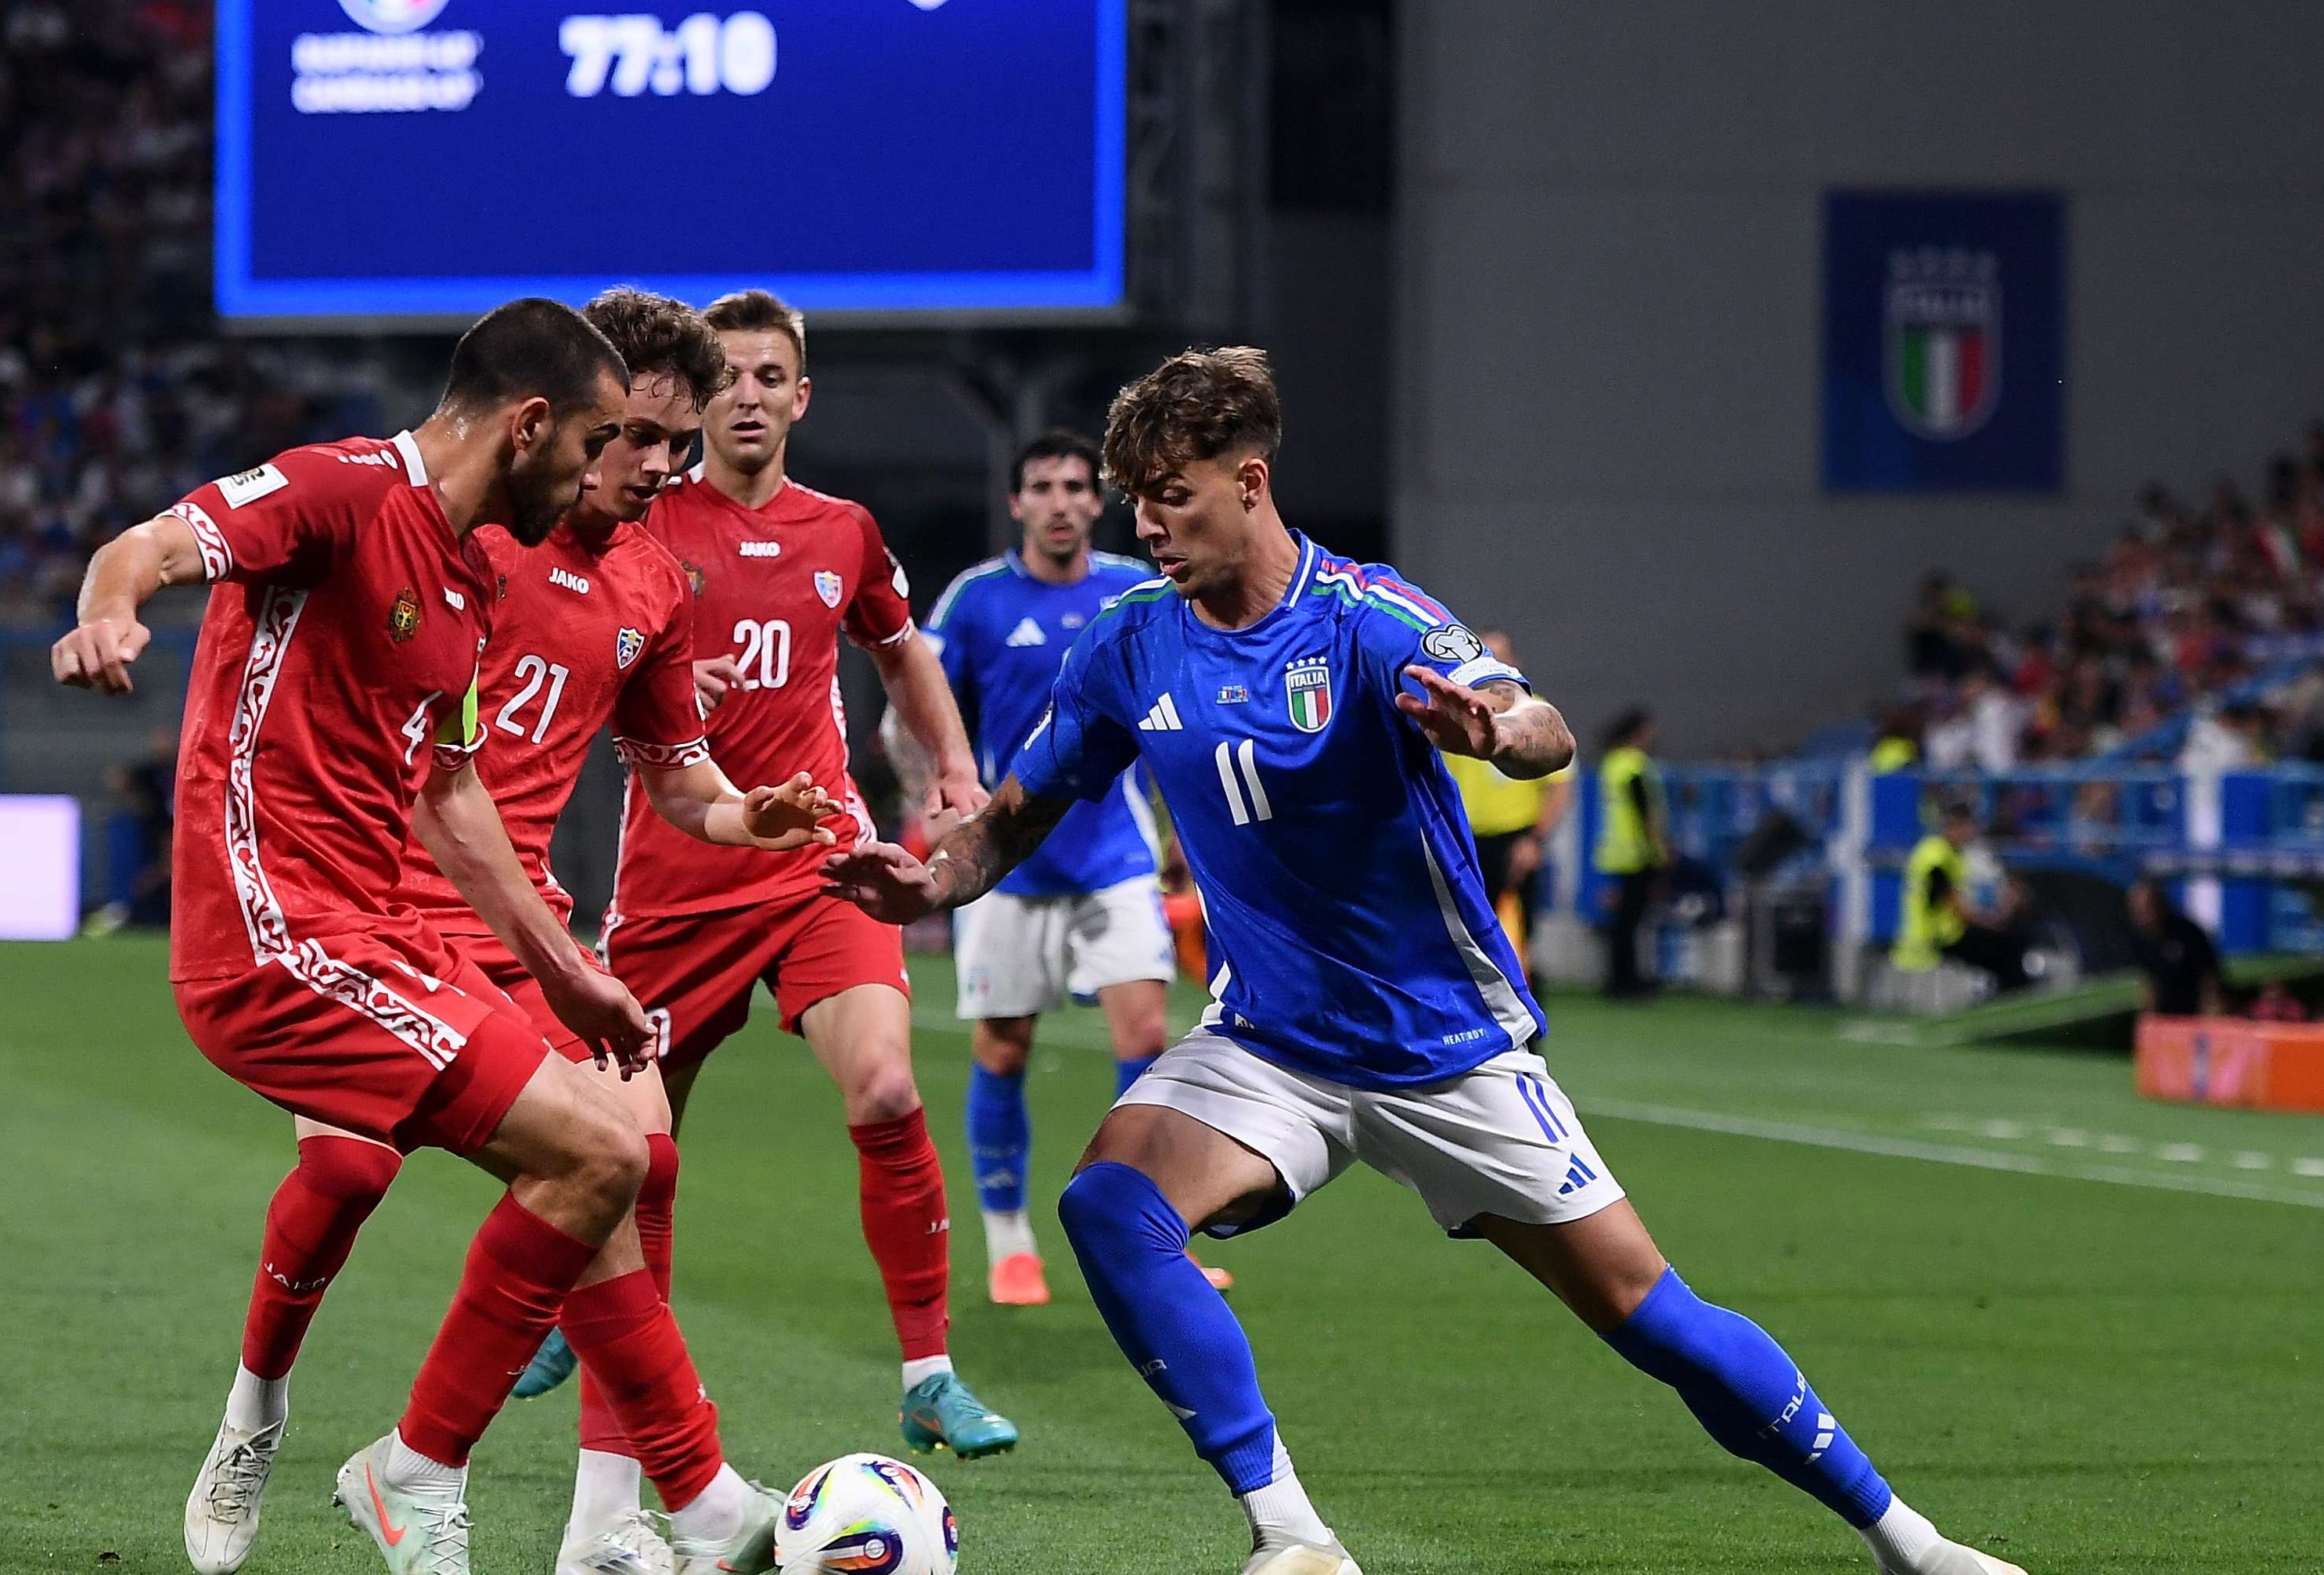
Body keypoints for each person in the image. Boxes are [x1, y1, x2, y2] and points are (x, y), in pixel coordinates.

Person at [822, 347, 2025, 1575]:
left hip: (1442, 1047)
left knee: (1649, 1314)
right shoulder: (1131, 641)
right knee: (1111, 1205)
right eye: (1137, 500)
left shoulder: (1367, 615)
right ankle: (1293, 1537)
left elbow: (1541, 725)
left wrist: (1493, 731)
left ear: (1250, 481)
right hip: (1270, 1045)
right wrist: (936, 878)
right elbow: (1014, 815)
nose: (1148, 526)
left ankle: (1914, 1545)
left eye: (1171, 496)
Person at [53, 300, 757, 1575]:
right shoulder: (342, 489)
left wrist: (568, 973)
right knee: (430, 1169)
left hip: (379, 931)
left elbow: (451, 793)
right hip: (270, 937)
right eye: (600, 441)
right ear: (533, 425)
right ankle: (367, 1451)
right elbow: (146, 544)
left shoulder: (471, 572)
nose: (619, 474)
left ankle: (666, 1504)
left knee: (612, 1156)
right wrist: (109, 610)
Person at [600, 289, 1019, 1460]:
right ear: (698, 397)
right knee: (627, 1153)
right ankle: (593, 1325)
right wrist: (657, 689)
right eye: (728, 376)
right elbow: (581, 656)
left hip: (816, 863)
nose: (748, 396)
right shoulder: (641, 524)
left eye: (769, 377)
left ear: (801, 397)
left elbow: (902, 648)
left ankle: (930, 1374)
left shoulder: (844, 532)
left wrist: (953, 768)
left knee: (886, 1086)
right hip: (677, 875)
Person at [884, 427, 1225, 1307]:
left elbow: (1179, 711)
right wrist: (931, 798)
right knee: (1006, 1047)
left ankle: (1153, 1238)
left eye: (1076, 486)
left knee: (1146, 1041)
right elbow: (913, 702)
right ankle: (1010, 1244)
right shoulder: (979, 599)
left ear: (1096, 500)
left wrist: (1188, 828)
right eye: (1043, 487)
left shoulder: (1136, 590)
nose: (1062, 502)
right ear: (1017, 503)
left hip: (1115, 855)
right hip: (1011, 865)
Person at [1443, 630, 1573, 990]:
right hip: (1465, 842)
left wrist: (1535, 841)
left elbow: (1560, 788)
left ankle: (1525, 1015)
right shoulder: (1454, 715)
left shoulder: (1536, 715)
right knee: (1464, 938)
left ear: (1514, 664)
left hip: (1515, 841)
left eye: (1499, 658)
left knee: (1517, 938)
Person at [1893, 800, 2034, 994]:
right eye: (1968, 825)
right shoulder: (1937, 857)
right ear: (1955, 825)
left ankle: (2004, 990)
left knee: (2007, 943)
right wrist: (1991, 921)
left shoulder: (1947, 852)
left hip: (1943, 935)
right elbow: (1955, 906)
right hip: (1936, 939)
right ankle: (2011, 994)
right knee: (2011, 943)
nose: (1971, 831)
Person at [1592, 706, 1667, 998]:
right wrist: (1659, 846)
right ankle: (1629, 981)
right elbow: (1645, 811)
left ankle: (1619, 978)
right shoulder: (1635, 765)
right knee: (1632, 922)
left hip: (1615, 852)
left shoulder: (1612, 763)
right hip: (1637, 852)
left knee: (1622, 921)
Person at [2127, 879, 2224, 1019]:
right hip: (2168, 1015)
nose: (2142, 916)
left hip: (2196, 1011)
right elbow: (2149, 983)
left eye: (2147, 909)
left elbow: (2209, 976)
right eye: (2138, 911)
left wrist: (2209, 1012)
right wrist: (2150, 1017)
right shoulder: (2140, 940)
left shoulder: (2187, 933)